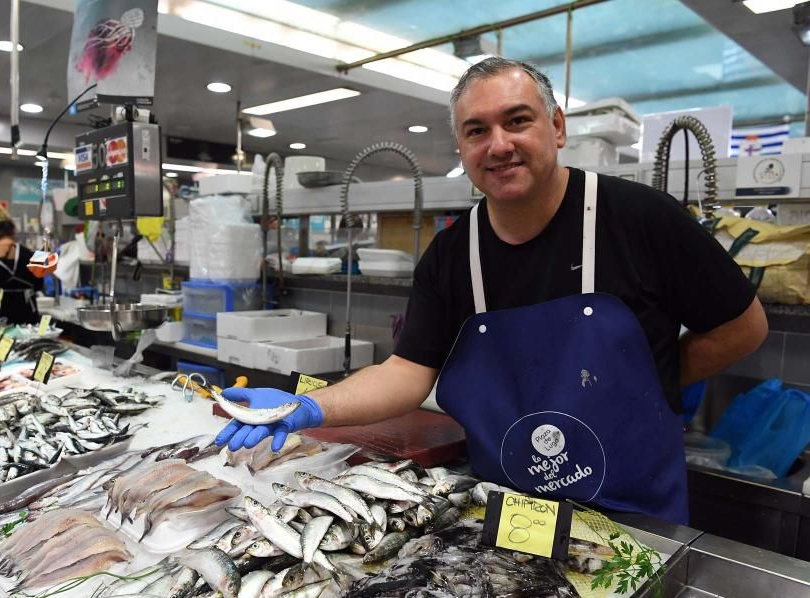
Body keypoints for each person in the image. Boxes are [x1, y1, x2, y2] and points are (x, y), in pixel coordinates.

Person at [215, 57, 768, 525]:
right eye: (477, 130)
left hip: (635, 516)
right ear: (462, 147)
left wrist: (652, 377)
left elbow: (744, 328)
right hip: (510, 514)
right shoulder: (455, 253)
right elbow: (407, 373)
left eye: (517, 121)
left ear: (556, 127)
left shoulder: (640, 219)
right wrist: (310, 406)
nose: (498, 144)